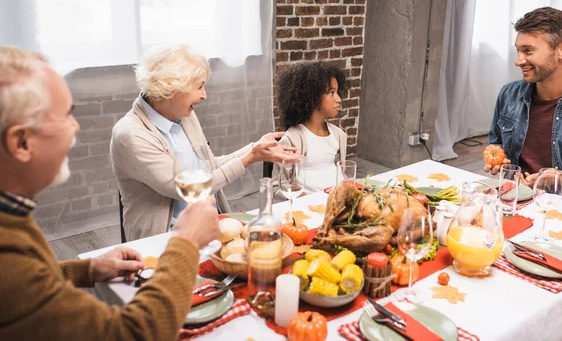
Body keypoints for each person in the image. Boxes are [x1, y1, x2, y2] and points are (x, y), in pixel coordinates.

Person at [0, 46, 221, 340]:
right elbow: (131, 333)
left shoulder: (12, 219)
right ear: (21, 142)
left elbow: (28, 283)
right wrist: (186, 242)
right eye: (67, 116)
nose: (76, 127)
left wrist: (86, 269)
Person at [111, 44, 299, 241]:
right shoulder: (130, 135)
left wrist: (254, 149)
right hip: (164, 242)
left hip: (211, 228)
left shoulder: (184, 116)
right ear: (174, 88)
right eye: (199, 86)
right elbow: (189, 189)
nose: (204, 95)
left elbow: (210, 166)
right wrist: (249, 158)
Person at [485, 7, 562, 208]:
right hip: (516, 204)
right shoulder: (509, 94)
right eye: (518, 50)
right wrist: (503, 165)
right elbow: (496, 143)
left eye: (528, 51)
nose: (518, 60)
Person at [273, 62, 348, 199]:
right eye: (331, 93)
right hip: (308, 208)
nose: (338, 99)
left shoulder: (339, 136)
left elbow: (341, 174)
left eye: (337, 92)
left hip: (336, 204)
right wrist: (302, 197)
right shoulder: (292, 139)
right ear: (312, 97)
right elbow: (277, 187)